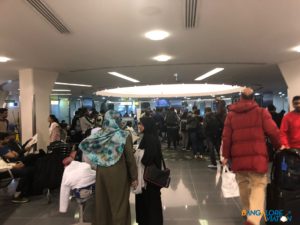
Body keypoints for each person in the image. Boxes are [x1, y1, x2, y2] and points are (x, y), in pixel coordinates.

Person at [221, 88, 281, 225]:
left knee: (243, 186)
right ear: (254, 98)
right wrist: (279, 146)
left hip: (238, 159)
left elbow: (226, 137)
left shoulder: (231, 115)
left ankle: (249, 212)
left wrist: (225, 155)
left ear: (240, 97)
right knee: (258, 186)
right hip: (257, 158)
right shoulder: (261, 112)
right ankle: (253, 220)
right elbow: (273, 131)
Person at [79, 110, 138, 225]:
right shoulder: (124, 135)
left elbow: (85, 145)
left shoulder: (99, 135)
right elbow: (130, 159)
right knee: (119, 204)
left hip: (101, 173)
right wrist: (134, 177)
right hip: (119, 173)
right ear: (117, 119)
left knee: (103, 203)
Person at [135, 117, 163, 225]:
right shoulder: (151, 137)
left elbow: (147, 159)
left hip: (148, 178)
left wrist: (137, 155)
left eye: (141, 124)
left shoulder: (149, 138)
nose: (139, 126)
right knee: (151, 201)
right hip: (150, 177)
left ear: (147, 125)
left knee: (149, 202)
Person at [0, 132, 34, 203]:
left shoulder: (4, 147)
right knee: (26, 171)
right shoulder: (4, 147)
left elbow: (3, 163)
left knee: (29, 169)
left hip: (6, 168)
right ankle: (17, 195)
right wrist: (13, 166)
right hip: (4, 171)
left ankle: (26, 191)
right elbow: (2, 166)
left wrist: (13, 165)